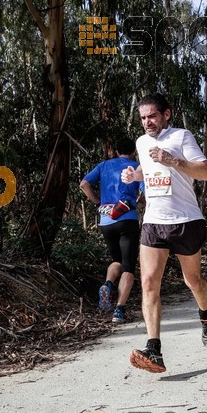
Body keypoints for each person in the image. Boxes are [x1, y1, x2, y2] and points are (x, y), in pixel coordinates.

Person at [121, 92, 207, 373]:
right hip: (153, 222)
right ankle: (154, 349)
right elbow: (148, 168)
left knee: (193, 280)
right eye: (143, 118)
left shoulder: (182, 137)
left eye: (152, 116)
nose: (147, 122)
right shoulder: (140, 142)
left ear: (166, 114)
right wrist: (134, 175)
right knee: (149, 281)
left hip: (186, 220)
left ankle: (206, 316)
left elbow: (206, 172)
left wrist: (172, 160)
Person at [80, 136, 142, 323]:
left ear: (116, 151)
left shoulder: (104, 165)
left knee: (116, 260)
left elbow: (84, 184)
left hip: (106, 221)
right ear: (133, 152)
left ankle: (107, 284)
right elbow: (146, 194)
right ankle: (119, 310)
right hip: (127, 219)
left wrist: (98, 202)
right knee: (128, 267)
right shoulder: (137, 168)